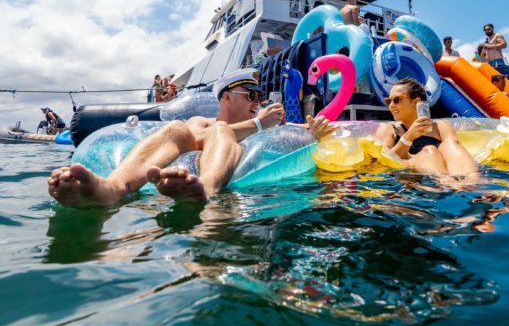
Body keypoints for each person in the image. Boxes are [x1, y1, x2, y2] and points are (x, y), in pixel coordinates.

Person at [48, 69, 332, 207]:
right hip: (195, 156)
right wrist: (257, 124)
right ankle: (111, 189)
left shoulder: (271, 129)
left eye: (259, 97)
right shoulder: (205, 121)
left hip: (226, 186)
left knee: (220, 131)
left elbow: (299, 139)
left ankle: (204, 189)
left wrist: (315, 133)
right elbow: (195, 137)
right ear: (227, 97)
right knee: (179, 129)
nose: (258, 102)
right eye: (251, 96)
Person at [374, 78, 478, 177]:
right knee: (429, 151)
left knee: (449, 145)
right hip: (409, 178)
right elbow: (382, 162)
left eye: (396, 100)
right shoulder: (388, 129)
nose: (391, 105)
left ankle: (471, 183)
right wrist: (408, 137)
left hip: (443, 172)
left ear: (416, 101)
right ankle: (446, 183)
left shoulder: (440, 126)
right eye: (388, 101)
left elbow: (455, 151)